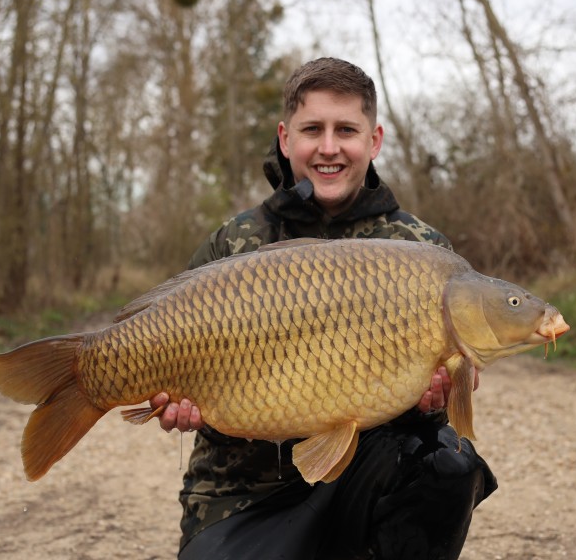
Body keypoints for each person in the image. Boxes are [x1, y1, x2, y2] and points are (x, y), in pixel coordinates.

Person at [149, 57, 497, 559]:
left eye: (346, 130)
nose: (329, 147)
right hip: (243, 495)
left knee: (449, 465)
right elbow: (193, 384)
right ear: (286, 138)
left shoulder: (423, 251)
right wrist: (181, 408)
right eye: (313, 129)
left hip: (366, 478)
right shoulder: (233, 244)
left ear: (373, 141)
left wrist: (437, 398)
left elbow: (430, 412)